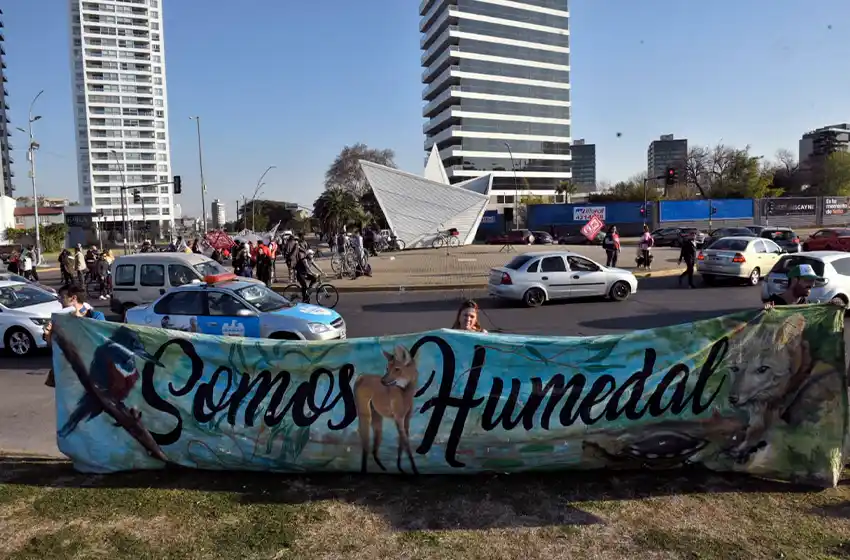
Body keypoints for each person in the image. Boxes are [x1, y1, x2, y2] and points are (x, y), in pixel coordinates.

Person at [763, 264, 841, 308]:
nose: (812, 285)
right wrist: (764, 312)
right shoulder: (774, 304)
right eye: (808, 280)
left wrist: (832, 306)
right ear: (794, 280)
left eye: (813, 281)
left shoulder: (806, 306)